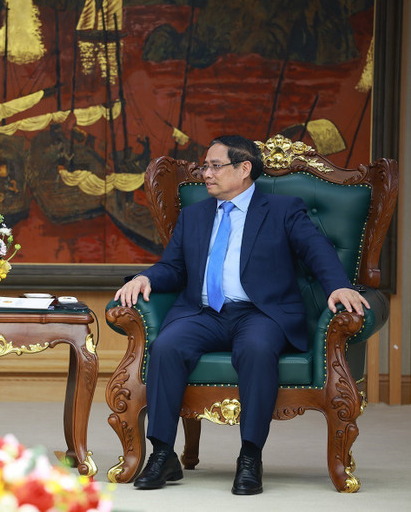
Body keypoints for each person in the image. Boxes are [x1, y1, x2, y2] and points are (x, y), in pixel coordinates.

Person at [114, 135, 369, 495]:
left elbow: (317, 250)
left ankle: (250, 456)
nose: (206, 173)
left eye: (215, 166)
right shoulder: (195, 215)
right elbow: (173, 267)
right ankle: (163, 454)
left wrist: (339, 286)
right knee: (167, 346)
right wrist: (145, 277)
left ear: (244, 168)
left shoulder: (282, 210)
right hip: (204, 313)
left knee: (257, 349)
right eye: (205, 166)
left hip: (259, 313)